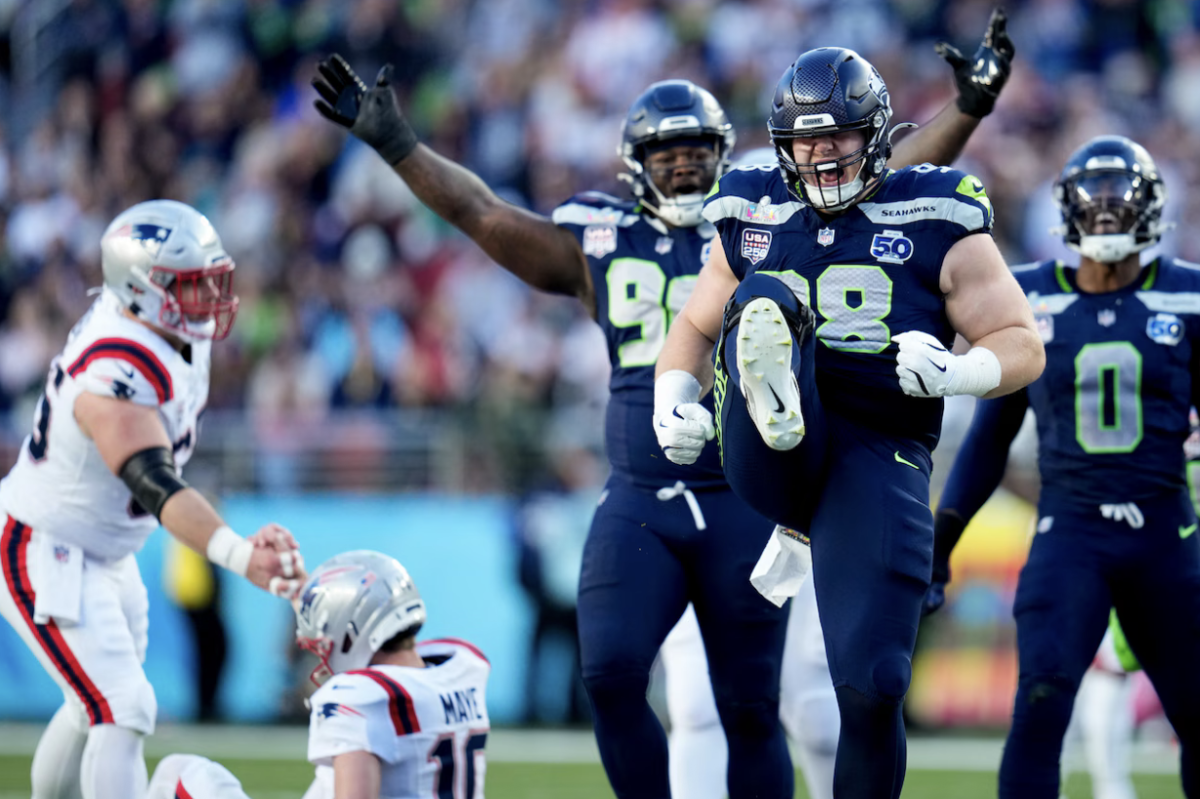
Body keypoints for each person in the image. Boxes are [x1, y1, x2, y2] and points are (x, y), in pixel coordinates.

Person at [310, 16, 1012, 795]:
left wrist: (967, 113)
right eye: (666, 157)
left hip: (748, 481)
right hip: (648, 482)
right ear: (635, 166)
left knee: (757, 705)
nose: (683, 171)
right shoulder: (609, 240)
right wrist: (398, 144)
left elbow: (874, 181)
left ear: (725, 155)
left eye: (697, 155)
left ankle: (780, 455)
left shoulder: (768, 214)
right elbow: (484, 214)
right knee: (616, 677)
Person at [652, 45, 1043, 799]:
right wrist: (672, 392)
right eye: (806, 140)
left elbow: (1022, 344)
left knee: (874, 685)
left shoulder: (936, 211)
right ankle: (781, 415)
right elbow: (695, 326)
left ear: (878, 134)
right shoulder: (754, 208)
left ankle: (803, 507)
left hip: (878, 447)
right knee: (764, 301)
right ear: (782, 144)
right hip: (767, 444)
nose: (822, 155)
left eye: (839, 138)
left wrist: (960, 372)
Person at [924, 135, 1200, 798]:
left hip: (1166, 534)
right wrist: (942, 542)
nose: (1106, 217)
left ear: (1153, 210)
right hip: (1069, 534)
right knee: (1041, 705)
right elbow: (992, 436)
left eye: (1120, 204)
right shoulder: (1029, 297)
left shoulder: (1188, 297)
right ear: (1067, 213)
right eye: (1093, 205)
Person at [0, 199, 305, 799]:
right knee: (122, 704)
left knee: (96, 698)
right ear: (143, 291)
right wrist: (242, 556)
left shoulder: (169, 328)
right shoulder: (118, 363)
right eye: (192, 286)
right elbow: (156, 484)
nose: (212, 297)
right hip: (45, 542)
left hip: (103, 547)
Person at [146, 549, 491, 799]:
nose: (320, 653)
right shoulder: (462, 666)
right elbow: (385, 642)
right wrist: (304, 592)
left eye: (325, 640)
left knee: (179, 773)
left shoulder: (359, 698)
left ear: (356, 631)